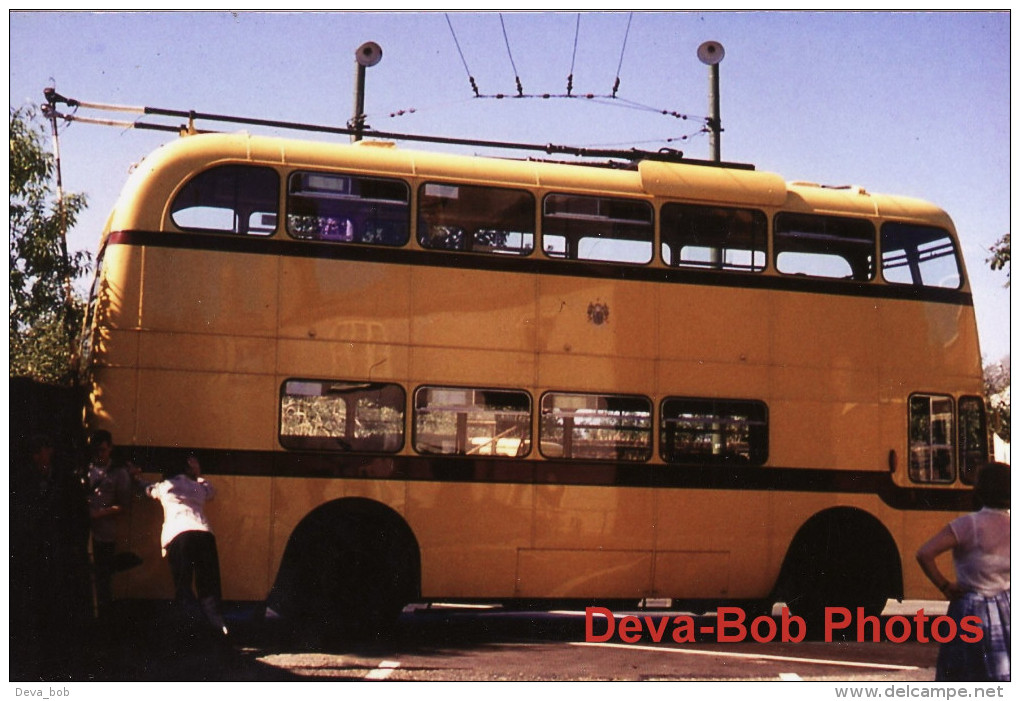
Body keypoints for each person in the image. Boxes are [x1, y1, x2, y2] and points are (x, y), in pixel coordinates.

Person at [916, 461, 1010, 682]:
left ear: (979, 491)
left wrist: (945, 586)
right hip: (1008, 609)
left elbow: (924, 554)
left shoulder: (967, 525)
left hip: (969, 609)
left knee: (962, 675)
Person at [10, 434, 92, 679]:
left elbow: (80, 519)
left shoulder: (66, 483)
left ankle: (60, 661)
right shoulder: (24, 482)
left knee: (59, 609)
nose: (37, 457)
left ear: (50, 450)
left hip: (60, 556)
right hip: (33, 556)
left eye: (41, 451)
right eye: (34, 453)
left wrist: (74, 548)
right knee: (34, 608)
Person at [145, 453, 228, 635]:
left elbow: (147, 490)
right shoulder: (198, 486)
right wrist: (197, 474)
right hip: (204, 534)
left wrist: (135, 476)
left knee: (184, 585)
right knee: (208, 585)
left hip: (179, 535)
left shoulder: (165, 486)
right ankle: (218, 628)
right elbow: (211, 491)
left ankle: (188, 629)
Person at [86, 429, 133, 618]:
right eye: (96, 451)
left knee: (103, 579)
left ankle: (104, 619)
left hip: (105, 533)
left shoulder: (118, 474)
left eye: (103, 450)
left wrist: (99, 514)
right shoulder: (85, 470)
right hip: (87, 533)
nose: (100, 454)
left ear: (110, 449)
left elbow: (124, 505)